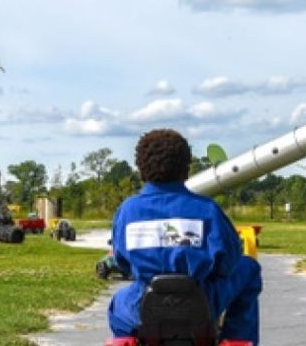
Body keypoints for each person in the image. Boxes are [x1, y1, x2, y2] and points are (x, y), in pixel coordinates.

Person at [108, 129, 262, 345]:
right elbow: (229, 261)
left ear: (141, 169)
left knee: (117, 304)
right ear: (186, 168)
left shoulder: (127, 211)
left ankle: (125, 340)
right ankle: (236, 338)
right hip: (202, 302)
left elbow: (122, 262)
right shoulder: (207, 209)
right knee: (249, 268)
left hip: (145, 303)